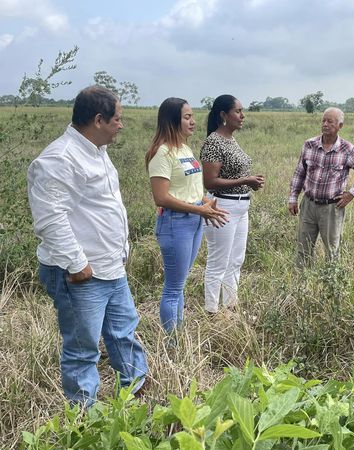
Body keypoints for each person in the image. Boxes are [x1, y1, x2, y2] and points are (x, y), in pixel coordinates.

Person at [27, 86, 148, 406]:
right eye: (117, 119)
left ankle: (135, 398)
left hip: (110, 266)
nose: (121, 125)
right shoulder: (60, 158)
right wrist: (77, 264)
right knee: (83, 350)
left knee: (124, 334)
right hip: (81, 273)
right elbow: (50, 218)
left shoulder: (96, 150)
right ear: (98, 120)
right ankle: (84, 420)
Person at [145, 97, 228, 333]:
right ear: (172, 120)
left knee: (180, 284)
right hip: (175, 223)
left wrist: (205, 203)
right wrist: (199, 209)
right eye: (187, 117)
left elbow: (189, 189)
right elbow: (161, 198)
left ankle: (179, 335)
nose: (193, 121)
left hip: (194, 220)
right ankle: (172, 342)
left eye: (192, 116)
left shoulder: (184, 149)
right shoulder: (162, 154)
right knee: (173, 288)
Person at [200, 95, 264, 313]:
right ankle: (211, 311)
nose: (242, 115)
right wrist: (245, 180)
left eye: (242, 111)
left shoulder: (231, 139)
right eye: (238, 111)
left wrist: (249, 183)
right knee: (218, 262)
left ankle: (230, 308)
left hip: (241, 207)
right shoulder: (214, 142)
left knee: (236, 260)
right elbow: (210, 182)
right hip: (222, 207)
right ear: (223, 115)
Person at [288, 107, 354, 266]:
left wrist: (351, 194)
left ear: (340, 126)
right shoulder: (309, 145)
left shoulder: (347, 150)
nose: (325, 124)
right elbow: (299, 173)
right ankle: (302, 280)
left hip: (332, 208)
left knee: (332, 251)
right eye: (323, 121)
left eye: (330, 122)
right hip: (308, 205)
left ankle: (331, 281)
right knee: (303, 249)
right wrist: (293, 198)